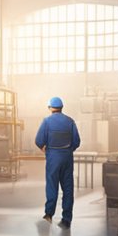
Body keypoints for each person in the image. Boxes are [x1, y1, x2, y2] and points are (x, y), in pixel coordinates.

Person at [35, 96, 81, 228]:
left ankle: (49, 214)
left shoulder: (47, 121)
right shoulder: (70, 121)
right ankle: (66, 219)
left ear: (50, 108)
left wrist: (46, 150)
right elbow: (77, 141)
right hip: (67, 157)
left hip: (53, 158)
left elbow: (39, 140)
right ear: (62, 107)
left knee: (52, 185)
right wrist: (68, 150)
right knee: (67, 188)